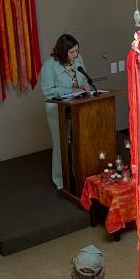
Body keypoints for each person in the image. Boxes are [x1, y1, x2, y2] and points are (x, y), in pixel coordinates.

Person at [40, 33, 93, 190]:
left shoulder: (78, 59)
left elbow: (83, 79)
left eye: (77, 51)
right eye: (71, 52)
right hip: (58, 108)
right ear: (63, 52)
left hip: (78, 105)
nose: (75, 55)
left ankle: (80, 176)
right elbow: (48, 91)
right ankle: (61, 180)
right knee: (61, 143)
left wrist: (85, 86)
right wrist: (70, 90)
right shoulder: (50, 66)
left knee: (80, 141)